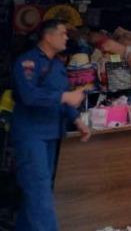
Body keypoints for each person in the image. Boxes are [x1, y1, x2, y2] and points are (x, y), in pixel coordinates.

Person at [11, 19, 90, 231]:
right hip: (31, 135)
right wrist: (65, 97)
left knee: (38, 192)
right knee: (40, 193)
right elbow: (29, 96)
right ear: (48, 36)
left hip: (51, 134)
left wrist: (77, 120)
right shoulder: (27, 63)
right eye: (63, 33)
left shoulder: (56, 65)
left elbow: (66, 97)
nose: (66, 38)